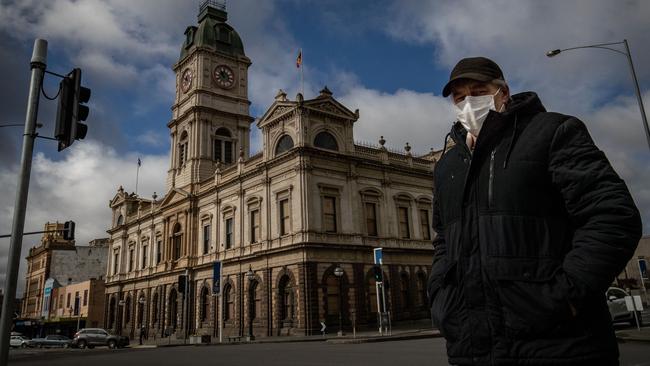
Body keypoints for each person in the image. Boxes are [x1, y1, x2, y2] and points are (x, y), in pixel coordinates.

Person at [428, 57, 642, 366]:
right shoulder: (448, 166)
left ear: (503, 92)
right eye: (460, 98)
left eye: (478, 91)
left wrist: (565, 297)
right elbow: (444, 242)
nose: (469, 103)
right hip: (474, 349)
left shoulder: (553, 132)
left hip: (560, 346)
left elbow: (612, 215)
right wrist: (442, 302)